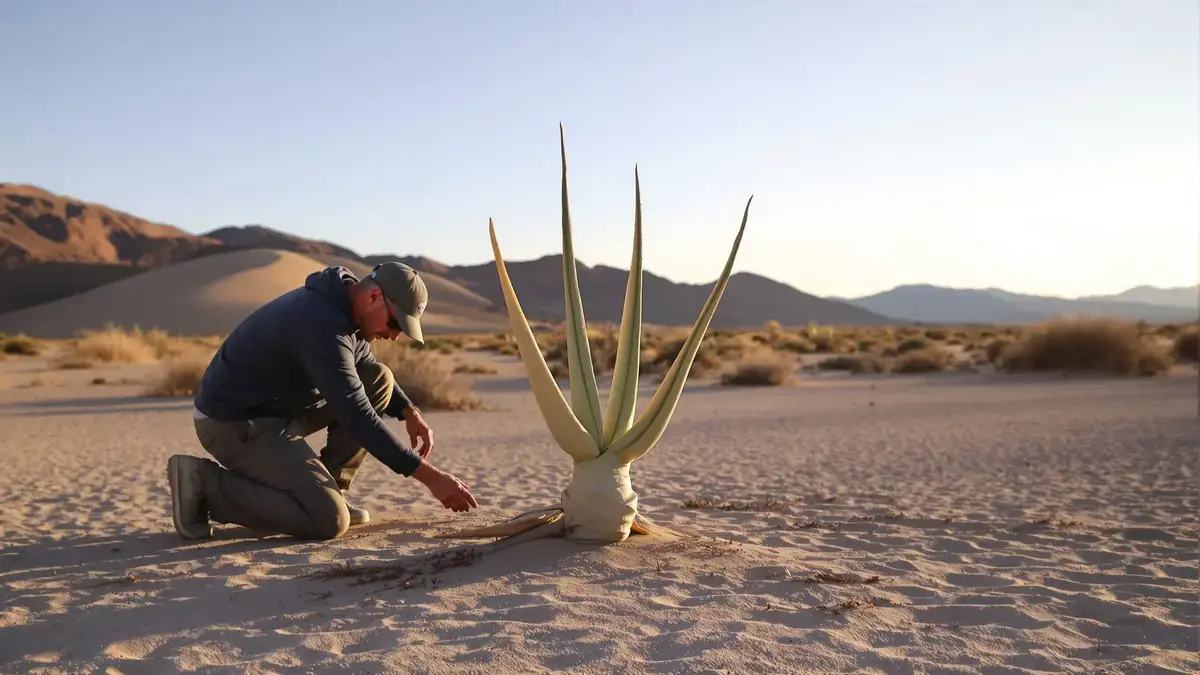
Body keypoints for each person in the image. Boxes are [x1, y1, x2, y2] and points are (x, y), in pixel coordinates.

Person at [167, 261, 479, 541]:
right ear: (373, 298)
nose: (394, 336)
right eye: (395, 324)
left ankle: (331, 490)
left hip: (276, 411)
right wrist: (431, 478)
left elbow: (367, 370)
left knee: (380, 379)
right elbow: (356, 414)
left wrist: (408, 410)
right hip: (232, 424)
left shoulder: (345, 309)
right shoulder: (321, 324)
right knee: (327, 520)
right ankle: (203, 485)